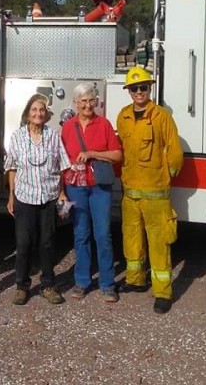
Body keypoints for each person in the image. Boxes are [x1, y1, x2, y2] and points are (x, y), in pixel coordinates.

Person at [115, 66, 184, 315]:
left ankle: (163, 292)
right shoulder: (122, 116)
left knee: (159, 243)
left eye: (143, 87)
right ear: (128, 92)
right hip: (130, 191)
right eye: (134, 88)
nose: (139, 92)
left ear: (150, 88)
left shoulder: (161, 116)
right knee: (131, 239)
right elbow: (119, 150)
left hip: (156, 193)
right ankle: (135, 280)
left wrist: (166, 176)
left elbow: (175, 152)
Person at [4, 94, 72, 305]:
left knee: (47, 243)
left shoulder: (53, 135)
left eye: (41, 110)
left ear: (47, 114)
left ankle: (48, 285)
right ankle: (21, 286)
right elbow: (12, 167)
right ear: (27, 113)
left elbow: (62, 165)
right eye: (34, 110)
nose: (38, 113)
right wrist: (11, 195)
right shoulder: (17, 136)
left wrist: (62, 193)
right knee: (24, 244)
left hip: (49, 198)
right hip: (24, 197)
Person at [60, 83, 123, 303]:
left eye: (90, 100)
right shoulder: (67, 127)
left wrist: (93, 153)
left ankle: (107, 283)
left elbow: (117, 155)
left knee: (103, 234)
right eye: (83, 101)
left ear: (96, 101)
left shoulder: (104, 124)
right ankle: (82, 281)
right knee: (81, 234)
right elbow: (61, 162)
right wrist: (61, 192)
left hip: (99, 187)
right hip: (75, 187)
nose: (87, 104)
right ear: (75, 104)